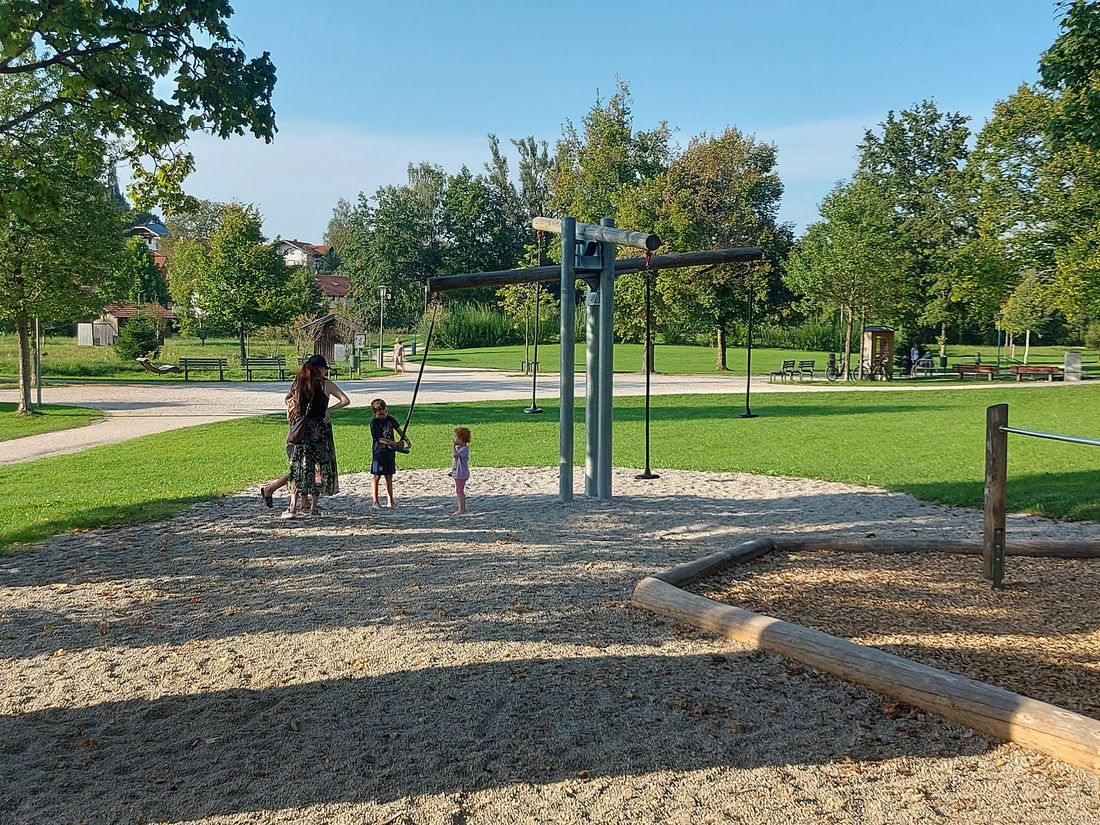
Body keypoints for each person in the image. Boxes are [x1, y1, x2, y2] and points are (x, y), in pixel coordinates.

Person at [283, 355, 350, 518]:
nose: (325, 370)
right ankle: (314, 508)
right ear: (319, 368)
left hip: (301, 429)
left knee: (297, 466)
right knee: (318, 467)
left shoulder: (299, 382)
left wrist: (294, 411)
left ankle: (292, 507)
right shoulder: (326, 384)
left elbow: (287, 400)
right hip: (320, 430)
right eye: (324, 368)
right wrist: (329, 410)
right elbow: (345, 400)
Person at [260, 394, 299, 510]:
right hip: (296, 442)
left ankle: (305, 501)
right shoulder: (297, 408)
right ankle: (270, 489)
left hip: (294, 440)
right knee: (299, 472)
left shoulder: (293, 406)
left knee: (301, 472)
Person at [369, 398, 409, 508]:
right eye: (381, 414)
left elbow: (399, 430)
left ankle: (391, 500)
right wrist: (395, 443)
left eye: (386, 412)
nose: (384, 415)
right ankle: (375, 501)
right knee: (376, 477)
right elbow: (381, 439)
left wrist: (406, 439)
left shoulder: (390, 419)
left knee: (389, 476)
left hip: (390, 453)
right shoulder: (374, 423)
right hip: (379, 453)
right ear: (375, 413)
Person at [448, 426, 471, 515]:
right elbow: (456, 463)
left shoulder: (464, 449)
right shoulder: (461, 448)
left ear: (461, 439)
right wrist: (453, 471)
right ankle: (461, 508)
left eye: (456, 437)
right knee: (459, 490)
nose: (455, 439)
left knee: (459, 491)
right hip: (458, 472)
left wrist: (453, 447)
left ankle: (462, 509)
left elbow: (455, 456)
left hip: (461, 473)